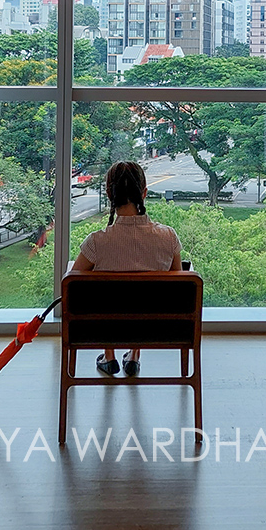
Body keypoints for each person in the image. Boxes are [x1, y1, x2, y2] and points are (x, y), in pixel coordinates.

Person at [72, 161, 182, 377]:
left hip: (106, 327)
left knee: (102, 298)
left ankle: (109, 355)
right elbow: (178, 288)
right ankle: (134, 355)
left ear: (109, 194)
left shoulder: (96, 243)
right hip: (156, 328)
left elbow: (71, 288)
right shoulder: (168, 237)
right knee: (144, 300)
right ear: (144, 193)